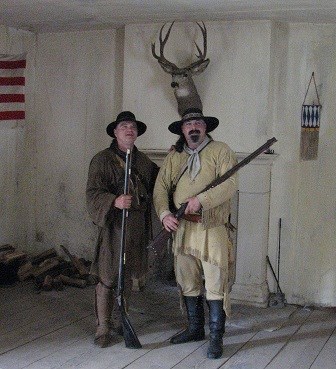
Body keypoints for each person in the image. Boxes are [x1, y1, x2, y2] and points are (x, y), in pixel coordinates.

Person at [153, 107, 238, 359]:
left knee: (214, 282)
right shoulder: (174, 155)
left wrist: (201, 200)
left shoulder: (221, 150)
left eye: (198, 124)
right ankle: (194, 329)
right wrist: (164, 214)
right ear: (182, 129)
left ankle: (216, 337)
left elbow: (229, 184)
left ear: (206, 127)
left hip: (210, 225)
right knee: (187, 279)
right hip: (182, 227)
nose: (193, 128)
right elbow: (160, 188)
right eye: (188, 124)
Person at [86, 111, 159, 348]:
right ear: (115, 132)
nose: (129, 129)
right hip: (114, 226)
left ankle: (121, 320)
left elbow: (161, 181)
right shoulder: (102, 160)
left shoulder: (143, 162)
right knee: (108, 276)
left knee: (126, 277)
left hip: (136, 227)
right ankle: (103, 327)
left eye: (133, 127)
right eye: (124, 126)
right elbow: (93, 193)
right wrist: (114, 201)